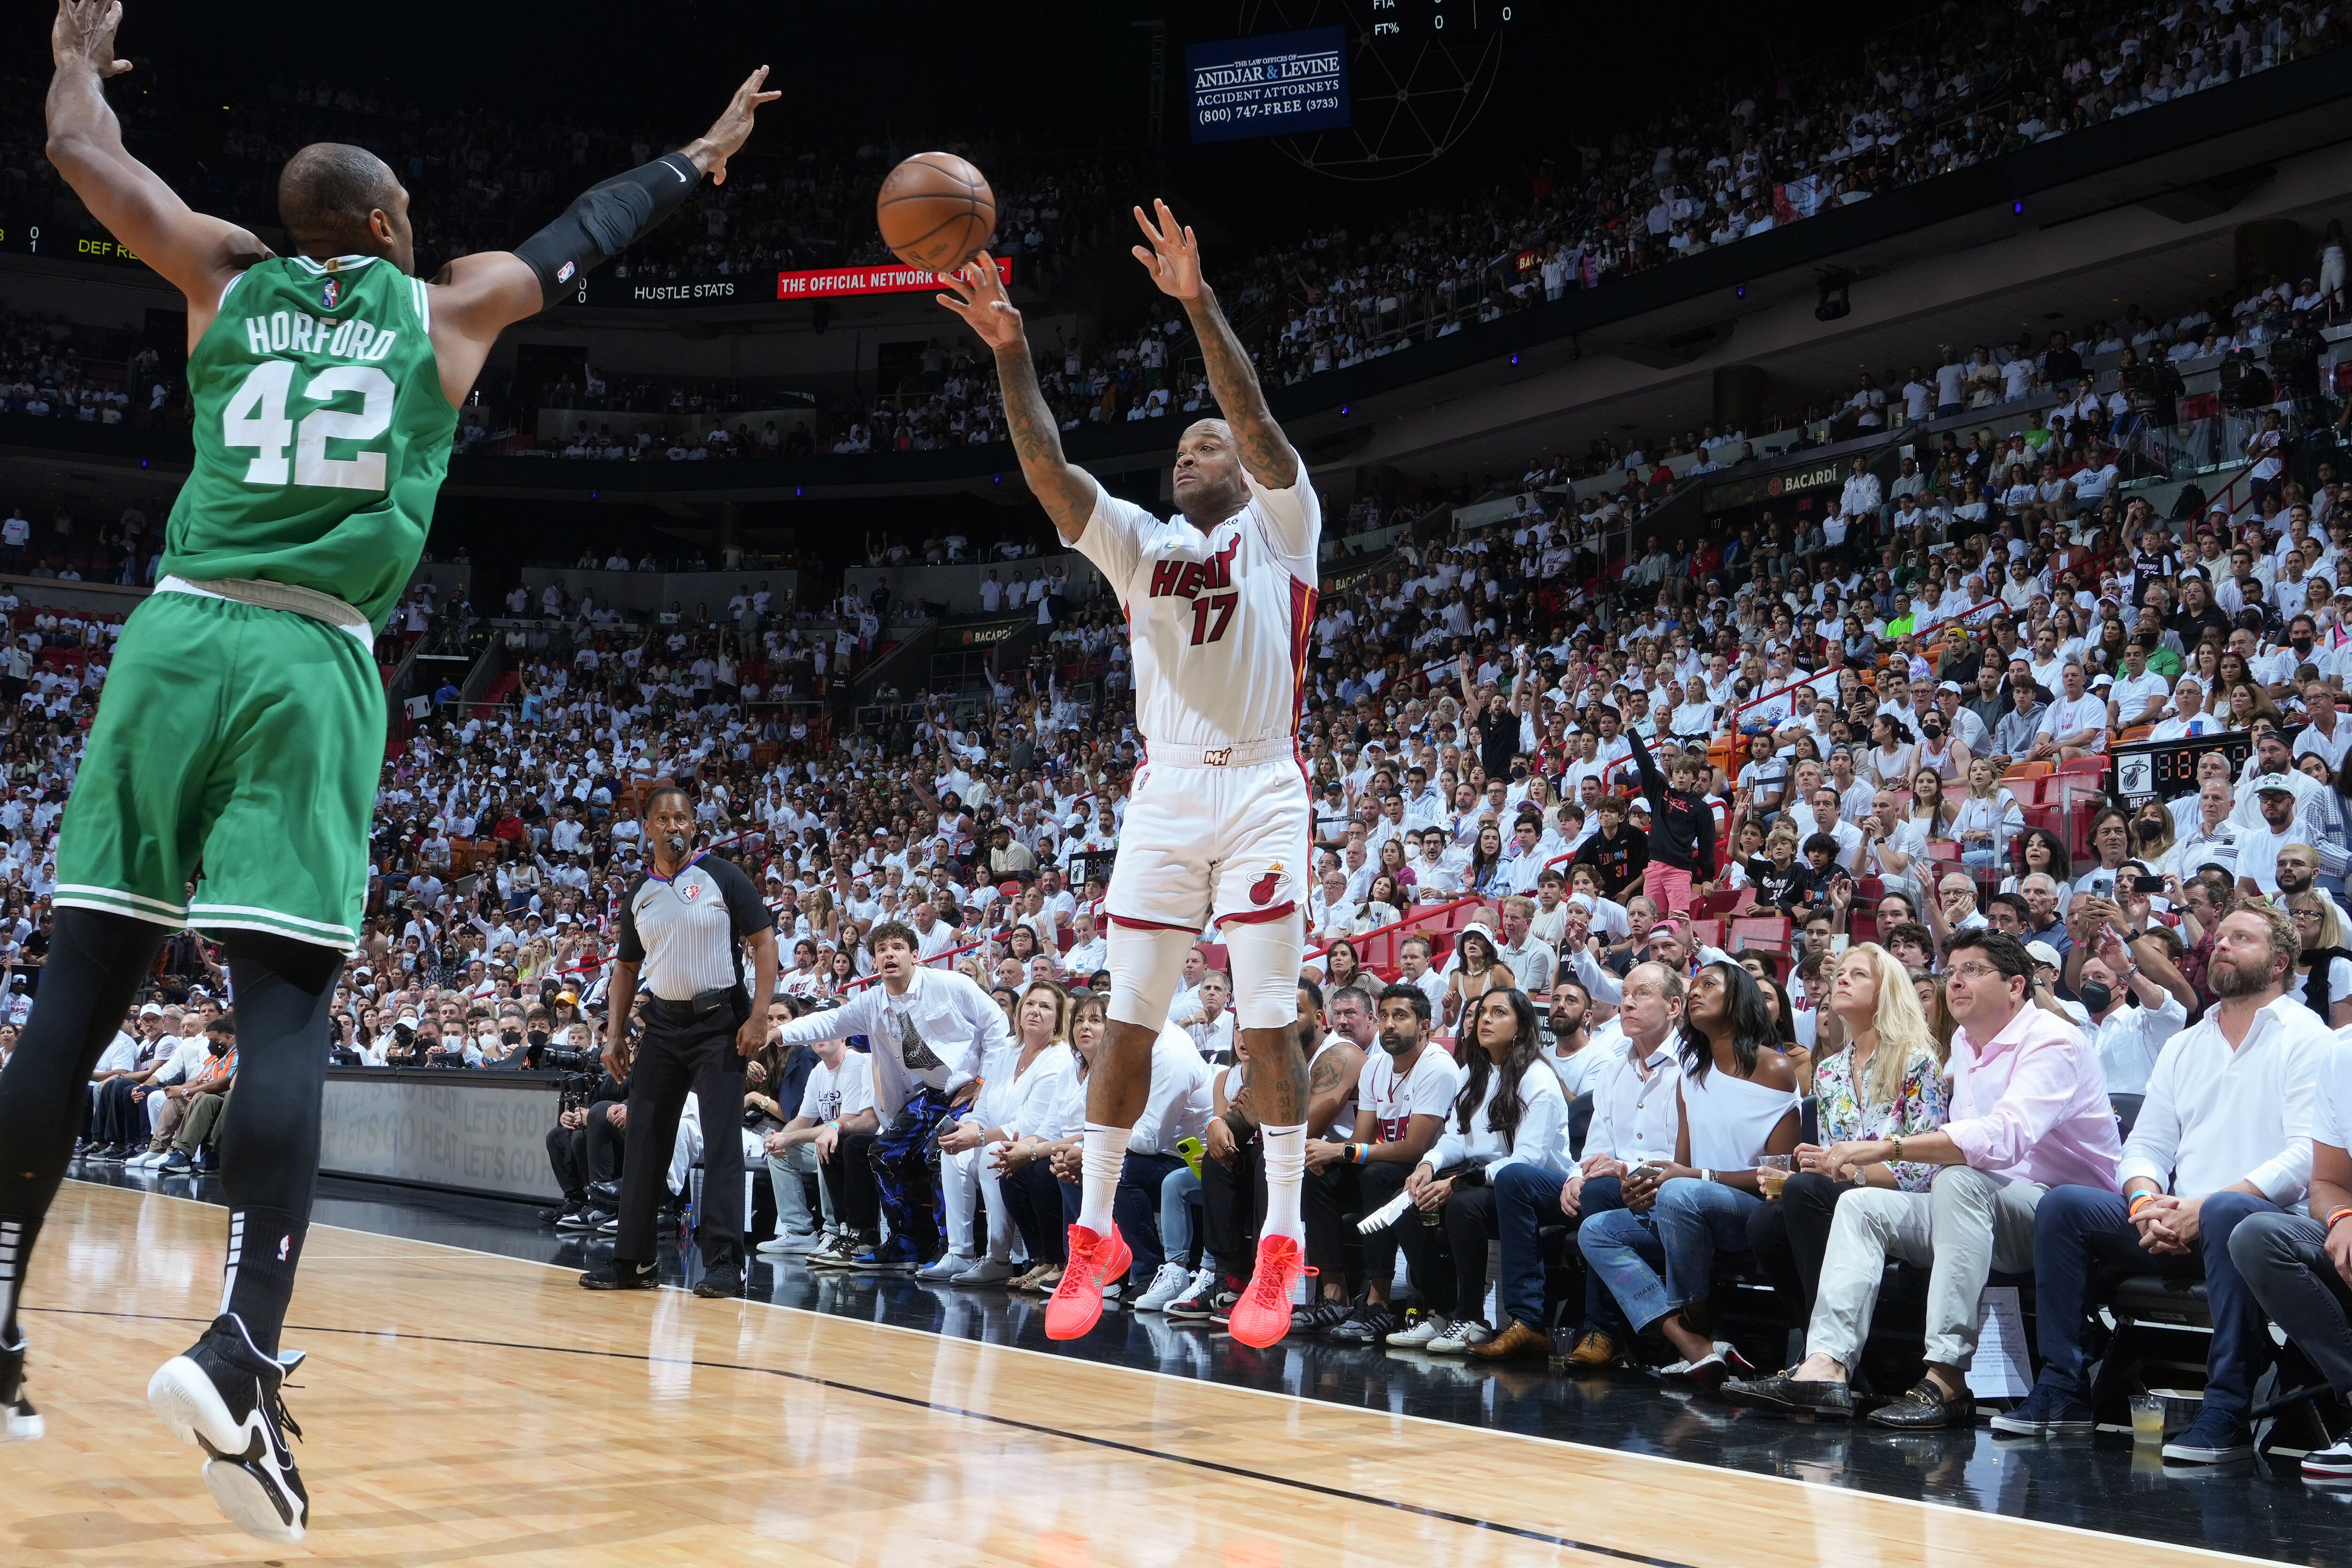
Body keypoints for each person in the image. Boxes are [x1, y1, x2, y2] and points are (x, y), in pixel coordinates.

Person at [0, 8, 775, 1540]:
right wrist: (702, 155)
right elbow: (583, 232)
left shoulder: (221, 275)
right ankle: (239, 1348)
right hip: (306, 656)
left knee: (80, 985)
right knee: (283, 1004)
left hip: (170, 636)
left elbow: (82, 153)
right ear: (385, 221)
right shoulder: (441, 308)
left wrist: (79, 56)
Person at [939, 200, 1317, 1346]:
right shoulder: (1138, 545)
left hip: (1259, 785)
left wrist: (1196, 303)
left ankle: (1280, 1239)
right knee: (1128, 1026)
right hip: (1165, 792)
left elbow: (1251, 414)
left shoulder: (1285, 527)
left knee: (1263, 1025)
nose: (1187, 454)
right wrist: (1013, 356)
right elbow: (1051, 469)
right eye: (1180, 447)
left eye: (1203, 447)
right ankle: (1094, 1229)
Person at [1994, 906, 2330, 1465]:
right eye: (2218, 938)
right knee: (2065, 1206)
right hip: (2176, 1222)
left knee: (2227, 1213)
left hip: (2269, 1230)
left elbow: (2304, 1156)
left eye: (2239, 939)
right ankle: (2062, 1388)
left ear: (2278, 963)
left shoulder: (2308, 1038)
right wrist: (2146, 1202)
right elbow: (2146, 1145)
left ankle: (2225, 1411)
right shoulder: (2185, 1044)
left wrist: (2202, 1207)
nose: (2220, 946)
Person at [580, 785, 781, 1296]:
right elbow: (626, 967)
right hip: (663, 1027)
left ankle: (722, 1262)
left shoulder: (721, 876)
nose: (673, 826)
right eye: (663, 819)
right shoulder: (639, 893)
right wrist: (616, 1030)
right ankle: (635, 1261)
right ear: (646, 828)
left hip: (720, 1023)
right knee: (645, 1139)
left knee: (720, 1144)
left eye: (682, 819)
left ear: (694, 827)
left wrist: (758, 1016)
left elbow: (763, 942)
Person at [1726, 944, 1947, 1401]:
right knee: (1764, 1221)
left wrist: (1849, 1174)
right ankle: (1833, 1364)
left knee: (1806, 1192)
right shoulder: (1826, 1072)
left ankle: (1826, 1364)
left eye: (1858, 974)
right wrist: (1819, 1165)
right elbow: (1831, 1159)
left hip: (1906, 1201)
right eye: (1839, 973)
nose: (1841, 980)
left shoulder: (1917, 1060)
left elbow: (1925, 1166)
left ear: (1885, 992)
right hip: (1842, 1196)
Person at [1574, 962, 1801, 1385]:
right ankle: (1692, 1345)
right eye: (1693, 986)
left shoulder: (1775, 1068)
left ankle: (1700, 1326)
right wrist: (1646, 1191)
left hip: (1750, 1212)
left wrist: (1694, 1180)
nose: (1696, 992)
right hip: (1689, 1205)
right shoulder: (1690, 1076)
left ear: (1737, 999)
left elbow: (1780, 1177)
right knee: (1597, 1231)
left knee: (1681, 1195)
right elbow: (1681, 1168)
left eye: (1709, 985)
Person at [761, 920, 1011, 1271]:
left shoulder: (950, 984)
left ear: (915, 954)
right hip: (929, 1094)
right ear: (875, 962)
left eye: (897, 947)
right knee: (882, 1152)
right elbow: (828, 1023)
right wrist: (777, 1034)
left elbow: (997, 1024)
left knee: (939, 1152)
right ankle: (903, 1242)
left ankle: (949, 1247)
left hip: (971, 1092)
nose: (889, 954)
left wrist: (984, 1080)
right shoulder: (871, 1002)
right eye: (881, 950)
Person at [1384, 988, 1569, 1353]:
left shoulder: (1538, 1078)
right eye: (1483, 1012)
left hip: (1539, 1185)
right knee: (1406, 1202)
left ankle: (1472, 1317)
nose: (1485, 1019)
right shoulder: (1474, 1072)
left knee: (1463, 1204)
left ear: (1520, 1026)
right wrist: (1428, 1165)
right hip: (1482, 1176)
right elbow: (1456, 1138)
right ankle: (1442, 1311)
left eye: (1498, 1013)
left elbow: (1528, 1159)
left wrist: (1457, 1182)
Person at [1310, 984, 1459, 1344]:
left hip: (1431, 1171)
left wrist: (1344, 1152)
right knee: (1317, 1174)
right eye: (1387, 1016)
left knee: (1376, 1175)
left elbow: (1415, 1148)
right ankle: (1334, 1296)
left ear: (1425, 1026)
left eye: (1401, 1017)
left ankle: (1378, 1302)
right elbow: (1363, 1140)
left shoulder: (1438, 1068)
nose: (1390, 1025)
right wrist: (1331, 1154)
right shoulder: (1375, 1066)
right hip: (1388, 1166)